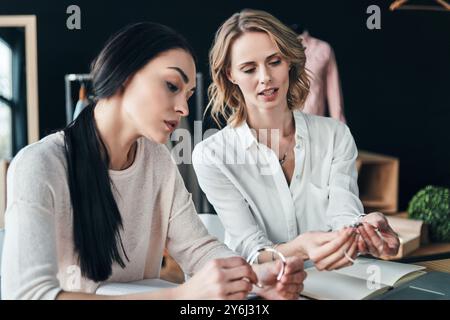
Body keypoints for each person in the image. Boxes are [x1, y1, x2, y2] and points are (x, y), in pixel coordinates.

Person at [1, 22, 305, 300]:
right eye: (172, 86)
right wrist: (178, 297)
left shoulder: (157, 160)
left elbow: (198, 249)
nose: (184, 108)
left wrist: (254, 276)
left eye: (188, 94)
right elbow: (28, 295)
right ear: (123, 75)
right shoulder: (39, 165)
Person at [192, 9, 399, 271]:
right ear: (230, 75)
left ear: (289, 62)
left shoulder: (335, 135)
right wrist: (301, 248)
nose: (265, 77)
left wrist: (365, 228)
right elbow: (251, 249)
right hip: (261, 291)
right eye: (249, 68)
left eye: (274, 61)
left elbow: (343, 214)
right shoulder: (211, 155)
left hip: (335, 281)